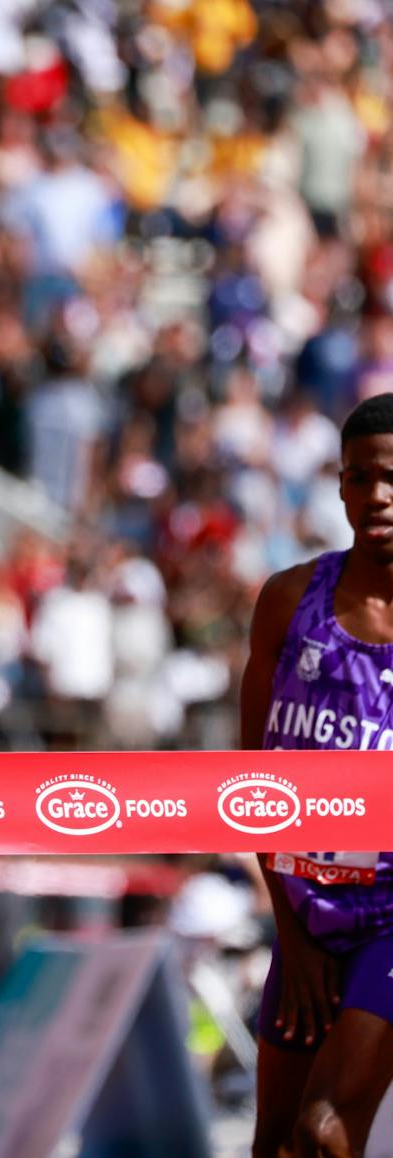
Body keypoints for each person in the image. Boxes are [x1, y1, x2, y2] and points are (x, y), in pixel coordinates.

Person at [242, 391, 393, 1158]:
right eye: (362, 478)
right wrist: (289, 927)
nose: (380, 496)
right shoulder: (288, 600)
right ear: (338, 485)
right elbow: (246, 790)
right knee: (276, 1146)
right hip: (304, 913)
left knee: (325, 1130)